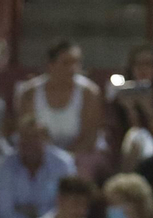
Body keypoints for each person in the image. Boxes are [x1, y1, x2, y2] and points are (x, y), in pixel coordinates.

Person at [14, 40, 105, 179]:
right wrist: (50, 157)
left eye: (77, 63)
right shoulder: (30, 93)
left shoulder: (89, 93)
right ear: (50, 65)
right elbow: (27, 131)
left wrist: (65, 159)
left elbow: (89, 137)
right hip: (41, 153)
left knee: (79, 173)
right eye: (66, 63)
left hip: (80, 154)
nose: (73, 68)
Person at [0, 116, 75, 218]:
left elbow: (65, 205)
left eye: (35, 137)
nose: (29, 143)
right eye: (24, 138)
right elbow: (4, 212)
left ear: (47, 140)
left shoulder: (62, 165)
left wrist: (35, 216)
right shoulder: (5, 165)